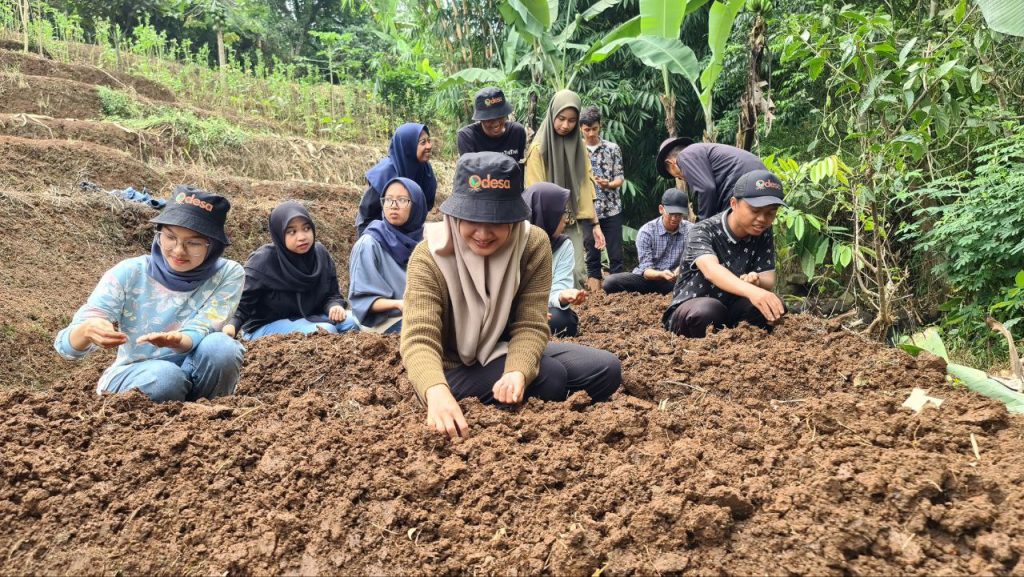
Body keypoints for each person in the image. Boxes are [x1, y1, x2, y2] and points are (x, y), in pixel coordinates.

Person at [401, 152, 622, 440]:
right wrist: (436, 391)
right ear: (454, 216)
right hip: (450, 367)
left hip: (501, 348)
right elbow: (419, 339)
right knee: (550, 377)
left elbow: (530, 323)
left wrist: (518, 371)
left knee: (606, 369)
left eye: (496, 220)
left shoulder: (532, 245)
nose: (483, 232)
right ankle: (540, 398)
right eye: (471, 219)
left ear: (514, 218)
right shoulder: (429, 256)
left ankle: (539, 395)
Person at [54, 186, 244, 403]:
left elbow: (206, 325)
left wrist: (178, 339)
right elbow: (66, 348)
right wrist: (88, 330)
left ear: (214, 246)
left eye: (193, 243)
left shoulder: (228, 274)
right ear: (159, 234)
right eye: (170, 237)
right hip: (137, 375)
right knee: (166, 378)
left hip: (196, 372)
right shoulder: (130, 272)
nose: (179, 251)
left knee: (222, 347)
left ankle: (209, 415)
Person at [662, 170, 788, 338]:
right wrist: (752, 291)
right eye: (755, 210)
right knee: (708, 311)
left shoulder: (762, 232)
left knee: (773, 305)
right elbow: (711, 271)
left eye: (770, 212)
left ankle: (741, 342)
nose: (763, 219)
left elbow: (768, 278)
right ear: (734, 203)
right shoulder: (703, 230)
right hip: (692, 308)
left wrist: (756, 281)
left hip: (732, 308)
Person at [225, 201, 358, 339]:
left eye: (306, 229)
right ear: (279, 234)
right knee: (326, 330)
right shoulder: (263, 261)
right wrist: (231, 327)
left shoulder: (320, 255)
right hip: (265, 326)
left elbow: (332, 294)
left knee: (355, 320)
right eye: (291, 232)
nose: (301, 237)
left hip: (308, 318)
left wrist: (334, 306)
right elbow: (242, 304)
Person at [525, 90, 606, 290]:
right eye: (561, 119)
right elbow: (535, 191)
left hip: (571, 221)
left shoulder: (580, 147)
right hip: (543, 226)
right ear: (552, 114)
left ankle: (573, 319)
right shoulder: (538, 149)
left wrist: (595, 224)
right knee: (546, 274)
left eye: (571, 120)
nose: (565, 125)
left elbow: (585, 185)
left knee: (577, 272)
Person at [348, 177, 427, 333]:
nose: (393, 206)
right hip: (382, 321)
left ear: (417, 206)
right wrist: (399, 304)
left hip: (416, 314)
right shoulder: (369, 243)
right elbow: (361, 301)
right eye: (388, 200)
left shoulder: (424, 242)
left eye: (402, 200)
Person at [523, 183, 586, 337]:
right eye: (562, 212)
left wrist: (562, 296)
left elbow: (557, 288)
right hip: (510, 310)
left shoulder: (563, 245)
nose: (565, 219)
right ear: (546, 213)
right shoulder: (513, 239)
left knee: (563, 321)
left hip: (545, 309)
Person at [603, 188, 692, 295]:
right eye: (671, 213)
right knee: (610, 282)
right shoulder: (647, 231)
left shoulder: (691, 230)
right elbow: (646, 269)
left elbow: (693, 258)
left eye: (679, 214)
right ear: (661, 209)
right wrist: (661, 274)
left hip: (675, 280)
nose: (674, 218)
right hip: (648, 279)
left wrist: (680, 269)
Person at [657, 137, 766, 222]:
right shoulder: (702, 151)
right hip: (763, 179)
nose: (682, 179)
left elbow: (706, 189)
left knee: (725, 231)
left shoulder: (684, 156)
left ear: (670, 163)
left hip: (740, 178)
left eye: (679, 177)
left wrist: (703, 226)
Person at [356, 123, 436, 236]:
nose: (429, 146)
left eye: (429, 140)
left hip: (411, 233)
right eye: (423, 142)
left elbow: (424, 206)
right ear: (408, 146)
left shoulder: (425, 171)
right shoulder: (385, 174)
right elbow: (366, 216)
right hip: (382, 235)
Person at [580, 106, 625, 288]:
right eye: (587, 129)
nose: (591, 133)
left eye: (594, 129)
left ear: (600, 126)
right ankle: (595, 300)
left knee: (616, 255)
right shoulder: (576, 151)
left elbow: (620, 177)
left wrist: (609, 184)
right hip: (588, 212)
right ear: (581, 129)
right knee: (592, 256)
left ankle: (619, 296)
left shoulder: (612, 149)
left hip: (611, 208)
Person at [456, 86, 528, 163]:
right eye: (490, 119)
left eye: (500, 116)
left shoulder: (516, 132)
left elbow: (519, 166)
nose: (496, 123)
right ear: (481, 119)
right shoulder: (467, 137)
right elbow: (469, 170)